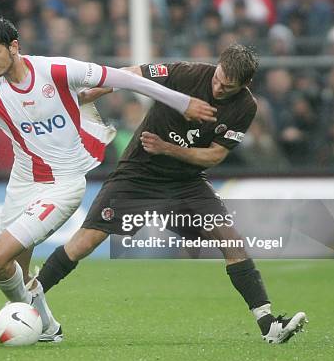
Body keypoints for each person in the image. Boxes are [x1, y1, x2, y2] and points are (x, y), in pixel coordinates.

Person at [0, 16, 217, 342]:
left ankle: (30, 317)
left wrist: (182, 102)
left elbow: (123, 78)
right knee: (14, 266)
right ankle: (44, 324)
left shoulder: (55, 69)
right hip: (23, 180)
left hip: (64, 183)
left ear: (14, 47)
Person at [35, 44, 308, 344]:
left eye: (227, 87)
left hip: (186, 182)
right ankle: (25, 302)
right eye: (218, 79)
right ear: (216, 65)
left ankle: (269, 325)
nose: (218, 88)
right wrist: (90, 95)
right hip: (138, 175)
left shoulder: (246, 107)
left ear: (245, 85)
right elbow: (130, 75)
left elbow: (214, 156)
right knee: (84, 242)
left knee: (231, 241)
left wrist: (168, 148)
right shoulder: (185, 73)